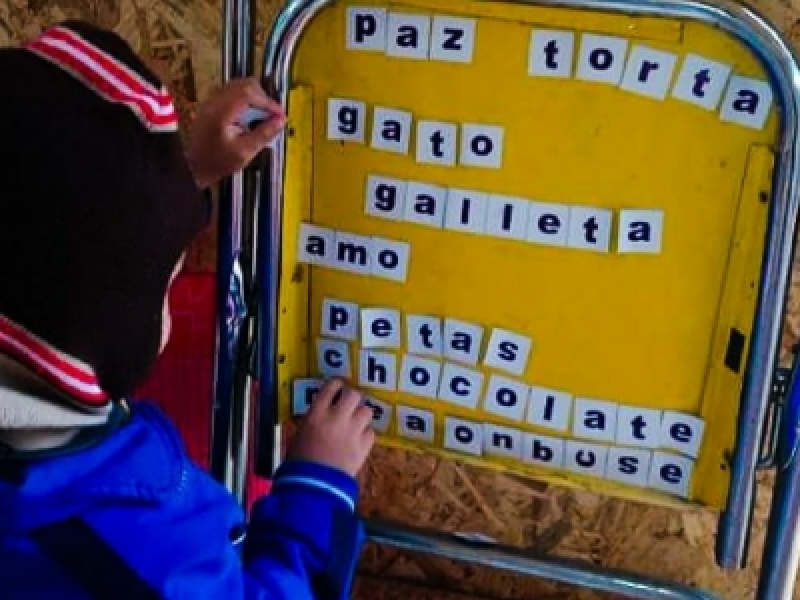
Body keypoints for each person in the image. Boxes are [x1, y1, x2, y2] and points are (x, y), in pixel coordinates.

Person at [0, 20, 375, 600]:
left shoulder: (37, 368)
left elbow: (47, 242)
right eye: (164, 274)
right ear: (114, 340)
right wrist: (316, 489)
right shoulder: (146, 551)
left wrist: (189, 169)